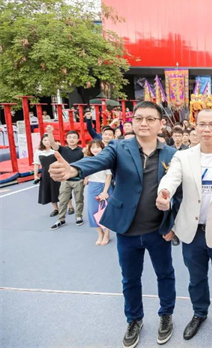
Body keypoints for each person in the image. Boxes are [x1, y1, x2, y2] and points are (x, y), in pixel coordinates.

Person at [49, 101, 179, 348]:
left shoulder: (172, 155)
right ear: (132, 121)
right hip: (126, 229)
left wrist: (172, 224)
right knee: (130, 278)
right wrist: (74, 170)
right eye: (139, 118)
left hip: (158, 229)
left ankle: (166, 315)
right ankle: (134, 319)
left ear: (161, 123)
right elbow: (96, 162)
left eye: (150, 119)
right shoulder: (118, 147)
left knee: (165, 274)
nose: (144, 123)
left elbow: (179, 193)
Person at [156, 108, 212, 343]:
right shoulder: (183, 156)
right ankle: (199, 313)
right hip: (191, 230)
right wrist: (164, 192)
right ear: (195, 127)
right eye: (202, 124)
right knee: (196, 278)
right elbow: (171, 179)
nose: (207, 129)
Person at [47, 127, 85, 229]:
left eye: (74, 137)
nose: (72, 139)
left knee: (79, 199)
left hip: (78, 179)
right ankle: (61, 219)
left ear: (78, 139)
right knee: (63, 200)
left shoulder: (82, 151)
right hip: (65, 179)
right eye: (69, 137)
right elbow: (52, 143)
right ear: (66, 139)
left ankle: (79, 216)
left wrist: (85, 177)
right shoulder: (62, 149)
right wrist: (50, 132)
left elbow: (85, 164)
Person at [84, 140, 112, 245]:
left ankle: (107, 234)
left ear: (102, 148)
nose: (95, 149)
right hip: (92, 186)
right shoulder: (88, 160)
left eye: (98, 147)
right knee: (93, 211)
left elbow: (109, 176)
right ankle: (100, 233)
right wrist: (86, 178)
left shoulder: (106, 160)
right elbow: (86, 173)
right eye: (93, 147)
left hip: (105, 186)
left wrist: (105, 191)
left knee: (107, 211)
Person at [34, 134, 61, 217]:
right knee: (50, 190)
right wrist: (35, 175)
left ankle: (70, 206)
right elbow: (36, 164)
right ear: (42, 141)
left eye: (48, 140)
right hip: (45, 174)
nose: (47, 142)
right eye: (45, 140)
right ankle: (56, 209)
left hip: (57, 172)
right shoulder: (38, 151)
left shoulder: (56, 150)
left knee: (62, 190)